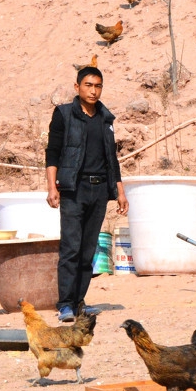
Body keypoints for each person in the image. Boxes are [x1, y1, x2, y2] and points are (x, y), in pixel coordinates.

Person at [45, 66, 128, 322]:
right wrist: (51, 186)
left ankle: (79, 302)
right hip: (73, 189)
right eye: (89, 85)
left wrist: (120, 192)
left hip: (99, 190)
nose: (93, 91)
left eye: (98, 86)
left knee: (88, 249)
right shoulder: (64, 114)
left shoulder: (105, 118)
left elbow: (111, 159)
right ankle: (65, 304)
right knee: (70, 247)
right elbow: (53, 152)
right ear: (77, 87)